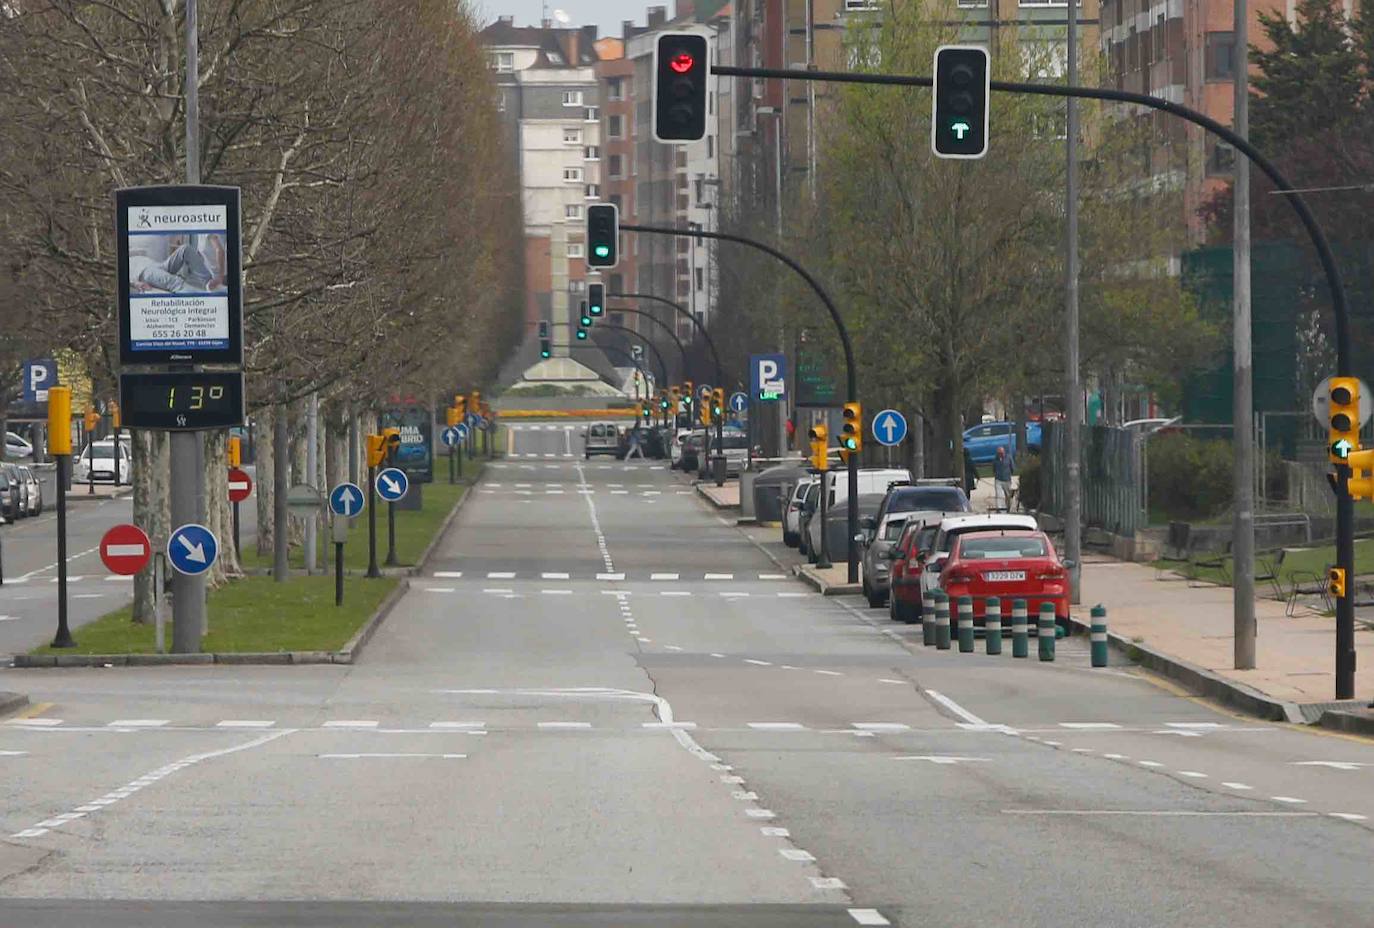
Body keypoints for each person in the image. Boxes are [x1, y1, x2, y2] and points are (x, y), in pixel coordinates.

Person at [993, 445, 1015, 512]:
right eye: (999, 453)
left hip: (1007, 480)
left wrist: (1009, 474)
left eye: (1001, 453)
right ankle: (1000, 509)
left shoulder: (1009, 458)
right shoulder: (995, 459)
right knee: (999, 495)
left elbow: (1012, 467)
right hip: (998, 480)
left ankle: (1008, 507)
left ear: (1004, 452)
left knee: (1008, 496)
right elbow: (994, 468)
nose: (1000, 454)